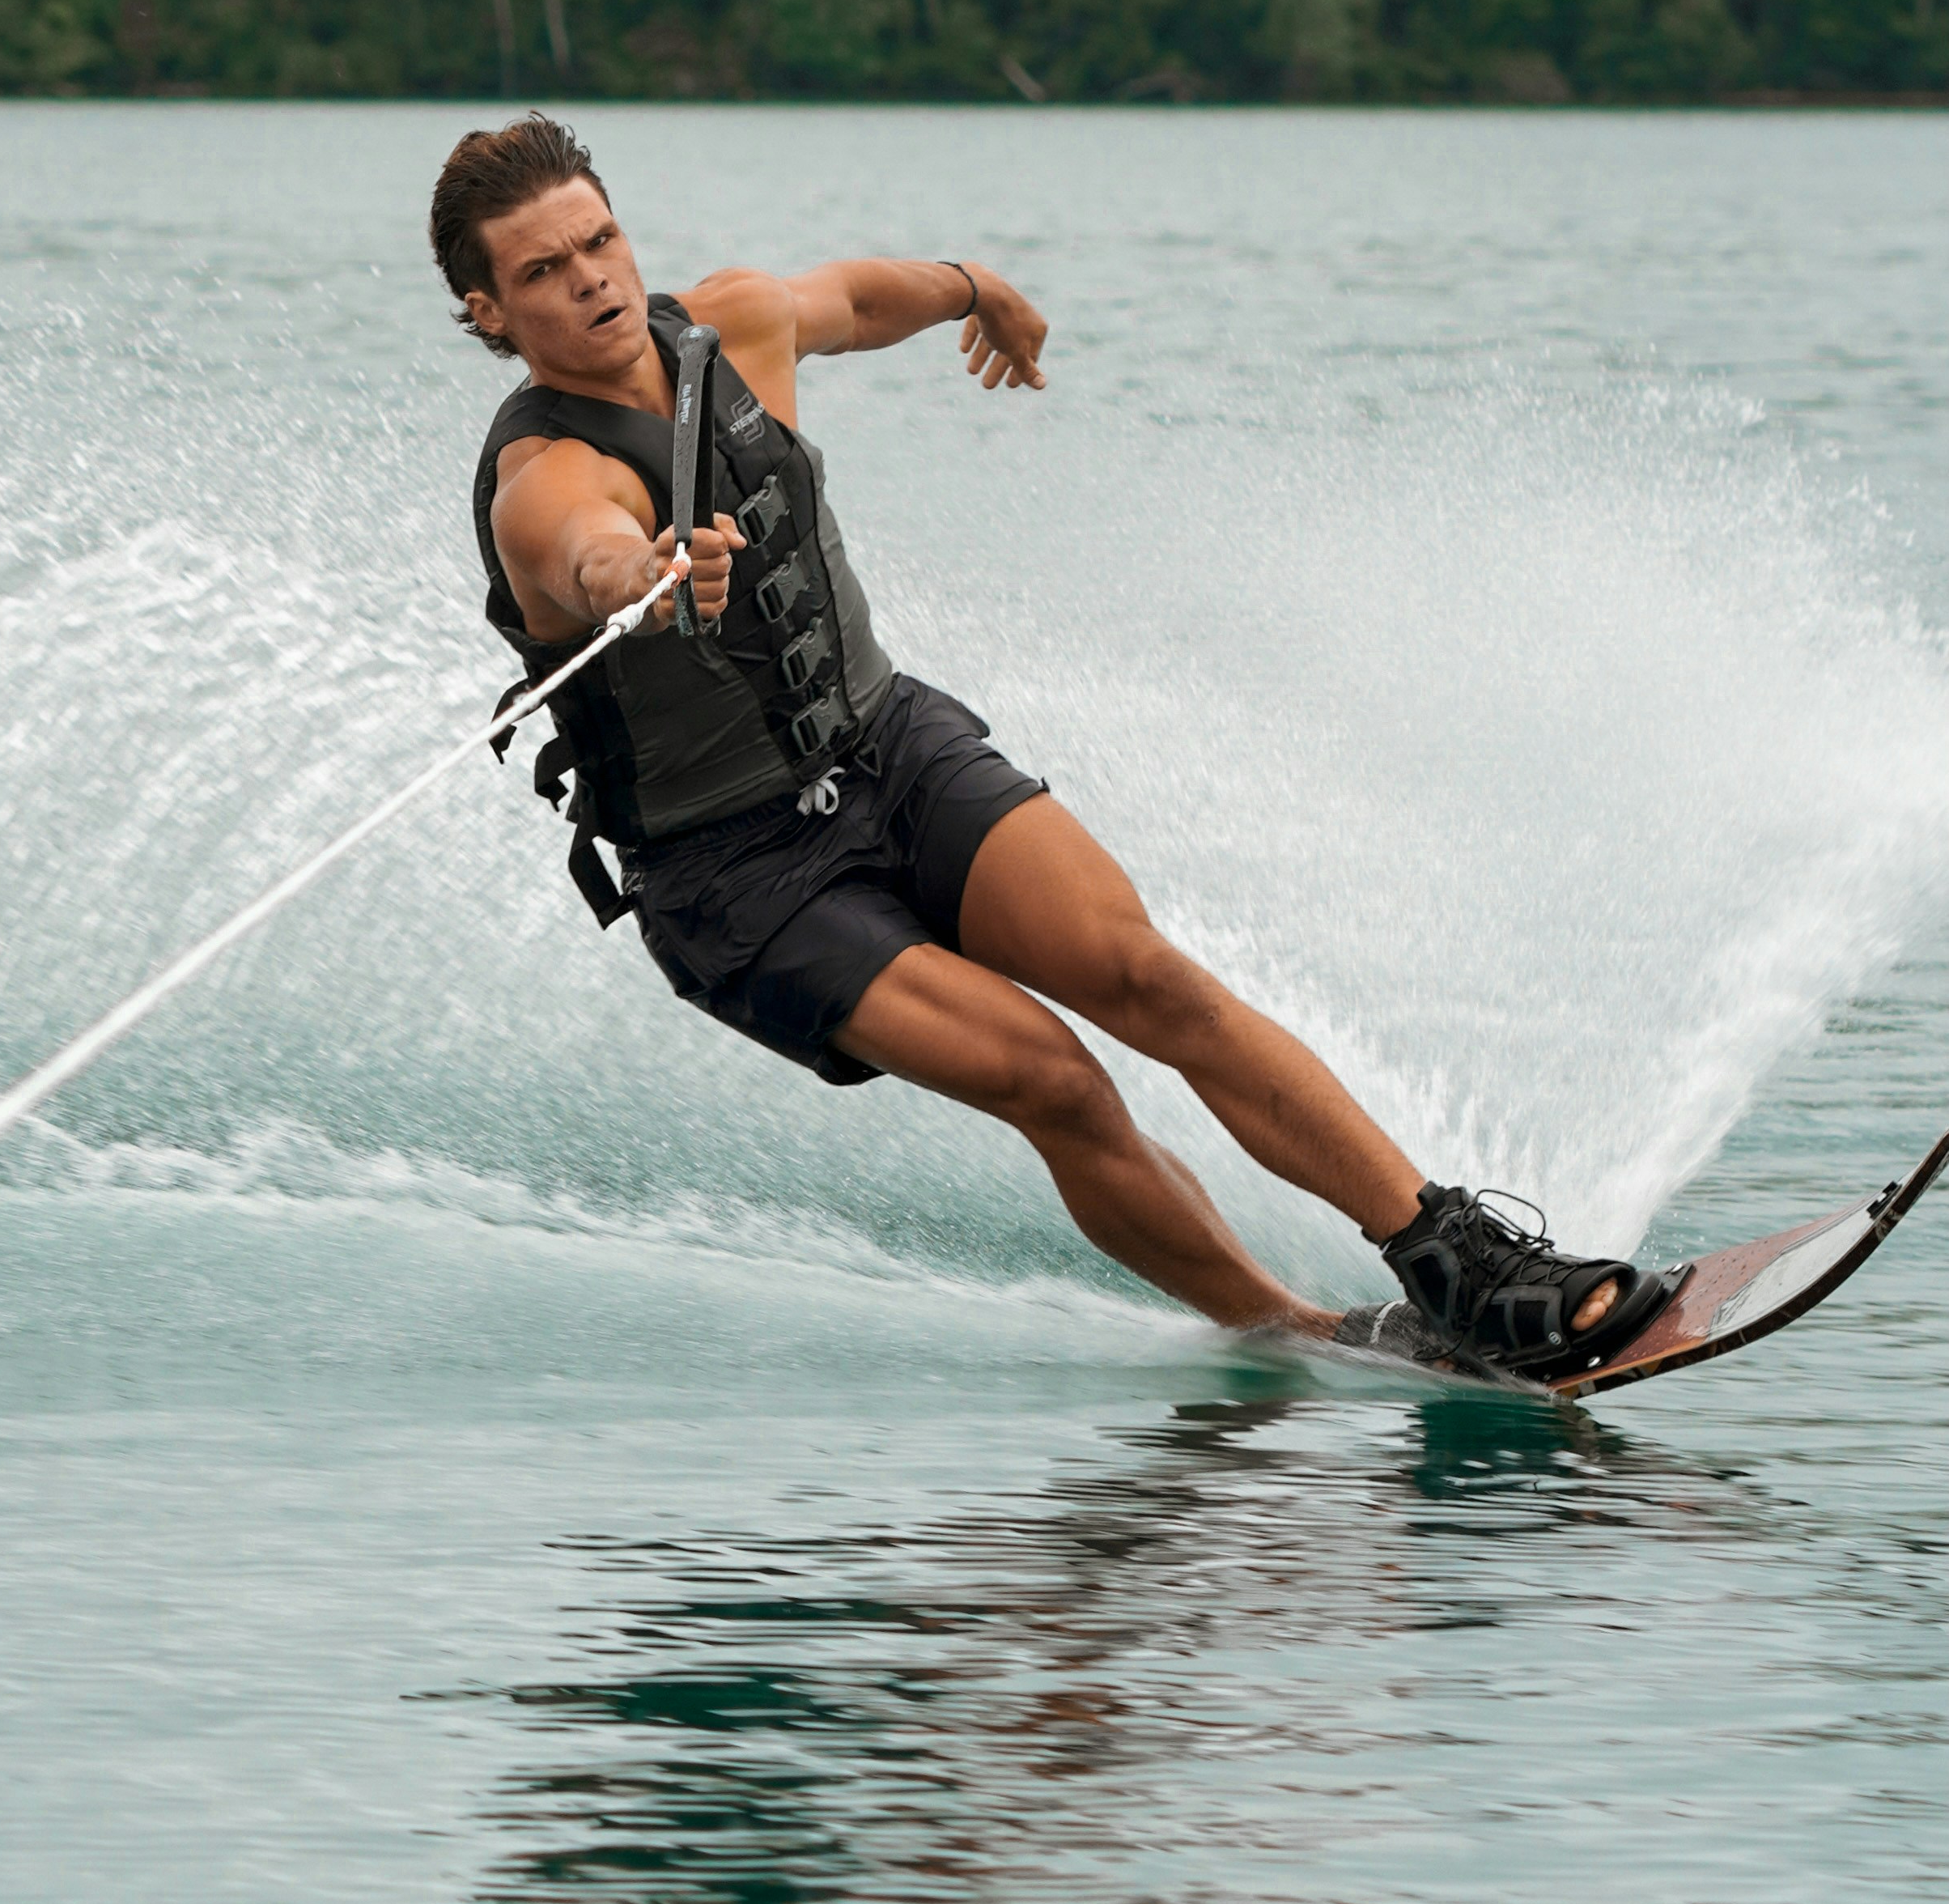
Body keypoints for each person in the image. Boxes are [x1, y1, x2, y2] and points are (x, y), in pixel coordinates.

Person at [439, 113, 1669, 1377]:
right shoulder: (540, 476)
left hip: (887, 746)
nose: (590, 278)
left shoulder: (735, 324)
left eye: (598, 239)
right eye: (542, 271)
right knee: (1056, 1080)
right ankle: (1296, 1329)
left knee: (1149, 980)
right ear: (488, 311)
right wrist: (639, 570)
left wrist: (981, 289)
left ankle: (1460, 1262)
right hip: (738, 874)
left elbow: (858, 296)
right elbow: (577, 548)